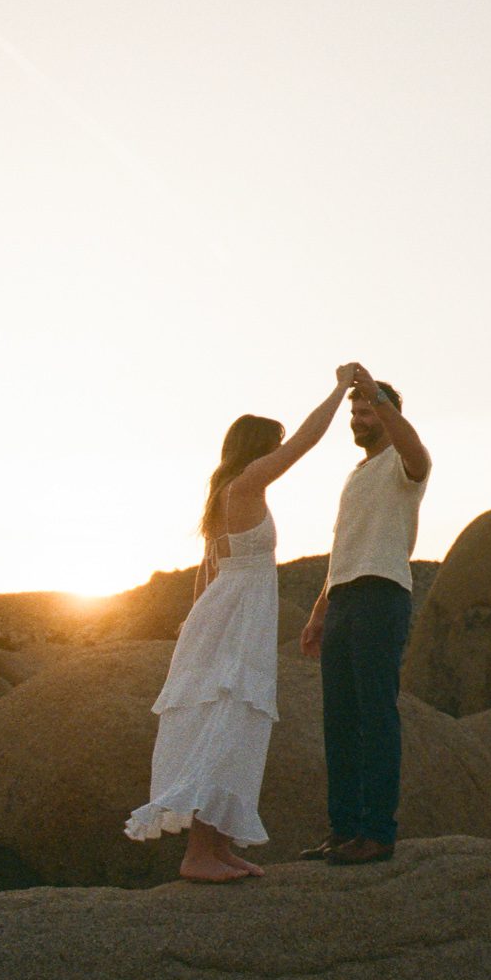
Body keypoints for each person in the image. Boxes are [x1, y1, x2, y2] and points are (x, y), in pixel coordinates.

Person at [125, 365, 359, 882]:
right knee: (227, 723)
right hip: (235, 617)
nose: (276, 453)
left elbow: (206, 574)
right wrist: (340, 390)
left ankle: (219, 846)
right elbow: (305, 441)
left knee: (240, 727)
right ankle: (198, 855)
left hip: (229, 614)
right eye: (270, 445)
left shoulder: (227, 493)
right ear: (256, 447)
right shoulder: (247, 483)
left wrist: (195, 628)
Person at [299, 363, 430, 866]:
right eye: (354, 412)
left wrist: (376, 391)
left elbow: (415, 449)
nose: (357, 419)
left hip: (382, 595)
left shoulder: (405, 461)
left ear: (388, 413)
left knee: (376, 716)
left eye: (367, 410)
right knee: (340, 719)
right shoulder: (356, 475)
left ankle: (377, 832)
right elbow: (342, 551)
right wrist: (318, 613)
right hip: (345, 599)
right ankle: (344, 829)